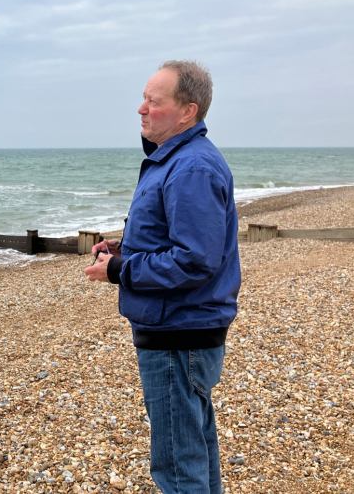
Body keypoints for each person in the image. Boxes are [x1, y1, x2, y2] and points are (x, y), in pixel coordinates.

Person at [84, 61, 241, 494]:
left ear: (187, 111)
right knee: (194, 448)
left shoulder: (190, 167)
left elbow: (194, 260)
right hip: (182, 328)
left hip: (179, 331)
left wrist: (119, 269)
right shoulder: (176, 160)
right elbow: (181, 238)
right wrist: (125, 246)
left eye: (154, 101)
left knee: (177, 463)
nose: (142, 108)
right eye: (144, 98)